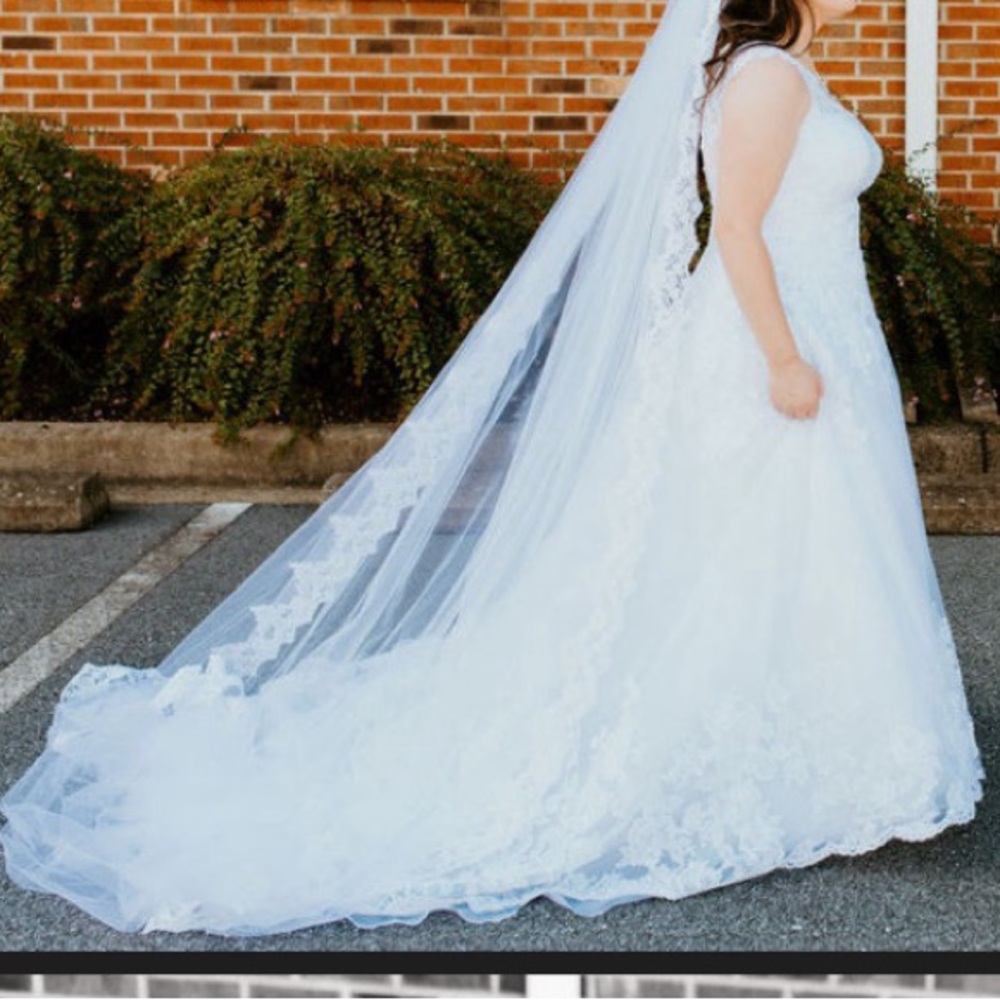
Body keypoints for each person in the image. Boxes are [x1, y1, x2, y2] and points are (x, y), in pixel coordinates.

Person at [0, 0, 983, 936]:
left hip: (820, 331)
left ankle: (813, 739)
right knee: (751, 543)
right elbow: (735, 231)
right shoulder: (767, 75)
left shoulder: (787, 69)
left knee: (782, 550)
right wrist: (782, 359)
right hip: (772, 347)